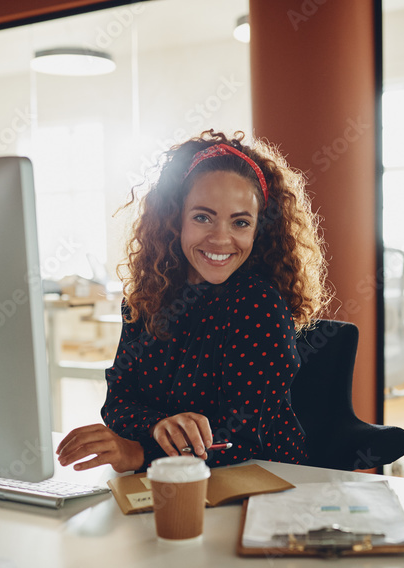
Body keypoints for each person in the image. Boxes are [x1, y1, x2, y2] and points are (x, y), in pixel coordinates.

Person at [56, 130, 328, 473]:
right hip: (170, 480)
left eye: (240, 222)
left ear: (258, 230)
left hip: (259, 479)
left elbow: (241, 438)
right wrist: (157, 427)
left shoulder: (260, 305)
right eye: (203, 217)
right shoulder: (147, 295)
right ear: (175, 219)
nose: (221, 238)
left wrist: (142, 453)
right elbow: (118, 403)